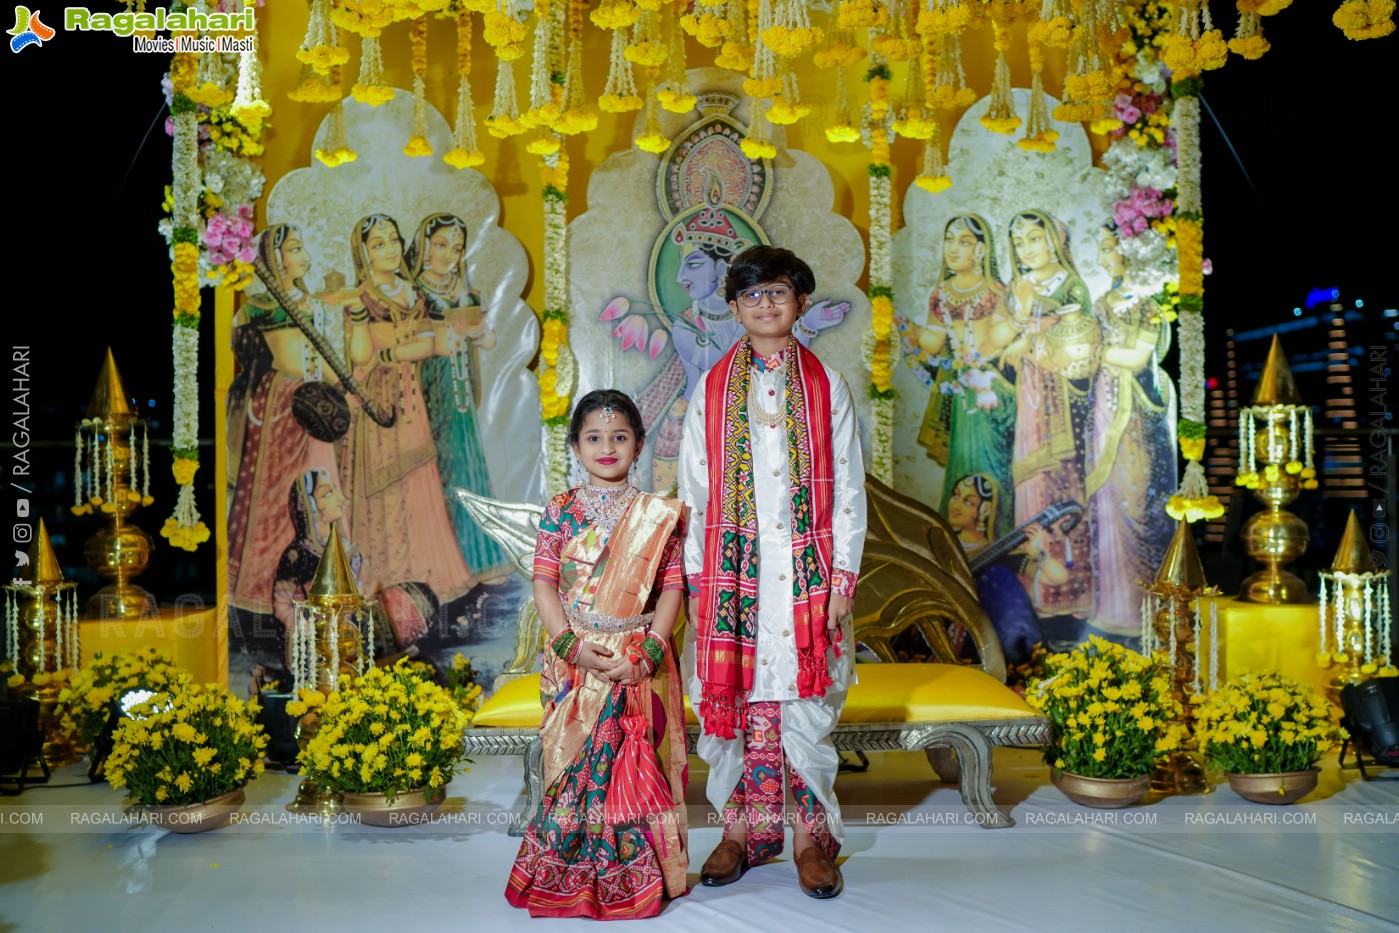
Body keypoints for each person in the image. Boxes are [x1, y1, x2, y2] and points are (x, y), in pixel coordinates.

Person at [678, 245, 867, 899]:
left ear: (801, 303)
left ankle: (810, 842)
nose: (764, 305)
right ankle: (739, 834)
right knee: (734, 710)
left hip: (807, 576)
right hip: (735, 580)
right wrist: (701, 585)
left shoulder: (826, 384)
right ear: (732, 308)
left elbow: (847, 487)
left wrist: (841, 581)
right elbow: (695, 491)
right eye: (751, 296)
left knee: (804, 712)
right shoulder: (709, 389)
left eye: (777, 293)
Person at [506, 390, 689, 919]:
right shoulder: (559, 512)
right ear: (575, 446)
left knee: (636, 761)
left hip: (637, 657)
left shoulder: (658, 514)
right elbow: (543, 587)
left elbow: (672, 590)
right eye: (593, 437)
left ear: (638, 445)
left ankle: (640, 875)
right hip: (575, 659)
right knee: (576, 765)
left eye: (619, 436)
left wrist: (647, 652)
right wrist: (571, 647)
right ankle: (567, 873)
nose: (606, 446)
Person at [332, 213, 476, 605]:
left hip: (410, 398)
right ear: (363, 253)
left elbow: (436, 344)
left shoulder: (412, 292)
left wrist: (394, 349)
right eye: (379, 244)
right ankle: (381, 584)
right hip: (376, 403)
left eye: (394, 240)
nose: (391, 249)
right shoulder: (358, 297)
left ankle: (427, 579)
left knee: (418, 482)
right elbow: (360, 353)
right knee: (379, 490)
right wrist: (368, 328)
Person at [228, 224, 339, 612]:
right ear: (275, 258)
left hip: (316, 404)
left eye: (301, 247)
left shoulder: (314, 305)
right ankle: (262, 593)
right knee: (277, 493)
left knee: (322, 485)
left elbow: (323, 358)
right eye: (294, 249)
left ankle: (325, 586)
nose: (302, 256)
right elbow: (245, 356)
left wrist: (339, 394)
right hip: (279, 404)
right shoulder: (256, 307)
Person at [1002, 209, 1099, 623]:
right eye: (1020, 242)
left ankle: (1069, 591)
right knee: (1030, 479)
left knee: (1062, 479)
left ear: (1054, 240)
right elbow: (1000, 336)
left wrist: (1029, 342)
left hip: (1062, 401)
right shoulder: (1020, 286)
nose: (1028, 248)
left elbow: (1080, 349)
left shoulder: (1071, 285)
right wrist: (1020, 330)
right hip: (1030, 394)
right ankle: (1033, 590)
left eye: (1035, 239)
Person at [405, 212, 512, 582]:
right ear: (424, 247)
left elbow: (491, 339)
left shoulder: (465, 291)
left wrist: (476, 332)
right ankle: (440, 562)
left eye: (457, 247)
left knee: (467, 463)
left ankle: (476, 559)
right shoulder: (412, 293)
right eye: (441, 245)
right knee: (437, 469)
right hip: (429, 390)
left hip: (461, 393)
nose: (449, 254)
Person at [1085, 224, 1175, 638]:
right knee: (1108, 502)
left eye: (1109, 249)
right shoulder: (1103, 301)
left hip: (1134, 412)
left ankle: (1142, 608)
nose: (1104, 259)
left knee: (1136, 500)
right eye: (1102, 251)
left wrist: (1097, 351)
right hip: (1103, 404)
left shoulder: (1147, 303)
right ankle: (1113, 605)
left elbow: (1139, 358)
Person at [904, 214, 1019, 534]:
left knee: (995, 467)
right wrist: (903, 325)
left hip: (993, 391)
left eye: (964, 242)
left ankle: (999, 535)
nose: (953, 249)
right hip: (962, 394)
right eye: (949, 240)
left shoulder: (996, 291)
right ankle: (961, 545)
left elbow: (1000, 343)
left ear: (982, 251)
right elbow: (933, 342)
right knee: (962, 464)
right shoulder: (941, 293)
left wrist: (981, 362)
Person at [943, 474, 1065, 666]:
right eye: (955, 495)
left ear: (984, 510)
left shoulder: (997, 553)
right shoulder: (941, 548)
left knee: (996, 575)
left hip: (982, 644)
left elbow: (1057, 578)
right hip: (939, 637)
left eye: (967, 501)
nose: (955, 505)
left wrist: (1036, 552)